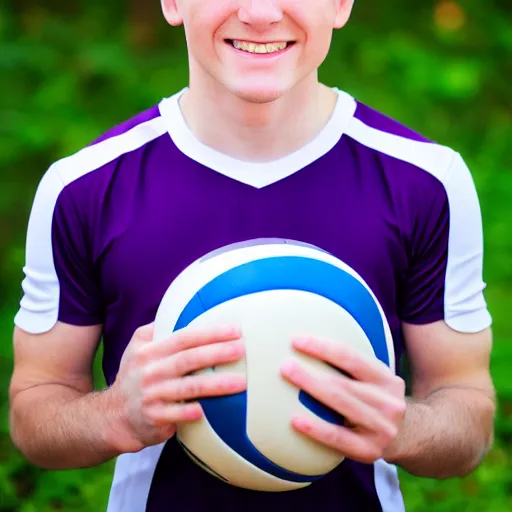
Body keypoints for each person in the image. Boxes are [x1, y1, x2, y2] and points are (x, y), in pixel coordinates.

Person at [9, 1, 495, 511]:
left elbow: (468, 411)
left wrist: (404, 426)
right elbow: (34, 410)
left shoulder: (426, 181)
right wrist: (114, 415)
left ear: (341, 4)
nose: (261, 13)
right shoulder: (83, 188)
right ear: (173, 3)